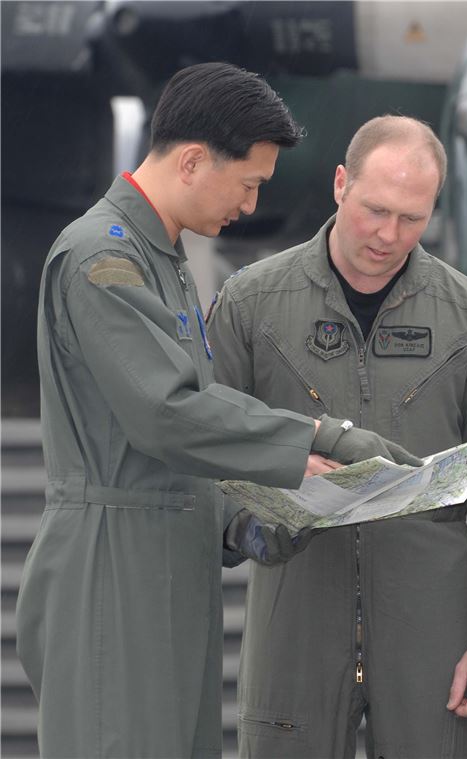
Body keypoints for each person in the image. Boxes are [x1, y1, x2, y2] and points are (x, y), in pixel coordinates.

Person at [15, 62, 419, 759]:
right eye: (250, 183)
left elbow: (181, 429)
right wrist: (316, 436)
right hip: (112, 567)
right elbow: (167, 412)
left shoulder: (163, 260)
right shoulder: (100, 257)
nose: (252, 206)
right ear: (194, 161)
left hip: (167, 565)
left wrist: (252, 516)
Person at [205, 115, 467, 758]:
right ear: (341, 184)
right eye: (375, 210)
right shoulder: (251, 305)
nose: (389, 236)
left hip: (431, 624)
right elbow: (201, 442)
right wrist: (248, 526)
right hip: (294, 612)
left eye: (412, 218)